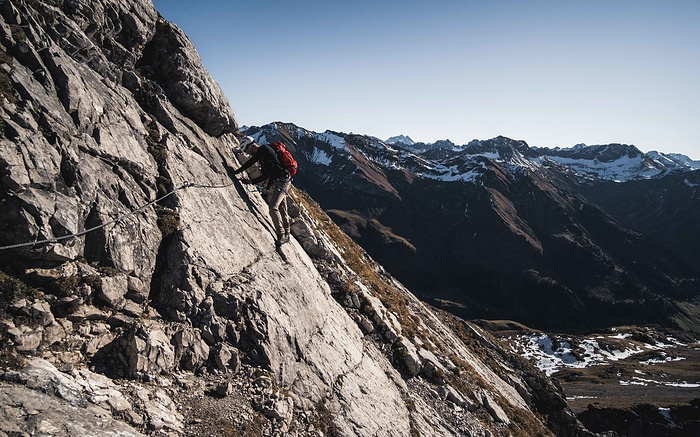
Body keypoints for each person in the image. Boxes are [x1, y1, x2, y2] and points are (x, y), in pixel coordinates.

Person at [232, 136, 292, 246]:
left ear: (250, 146)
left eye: (246, 150)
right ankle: (287, 234)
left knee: (273, 207)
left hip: (282, 183)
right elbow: (265, 175)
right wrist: (251, 182)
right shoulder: (264, 156)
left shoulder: (264, 149)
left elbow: (251, 162)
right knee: (282, 208)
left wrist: (237, 171)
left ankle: (281, 234)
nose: (247, 153)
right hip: (281, 182)